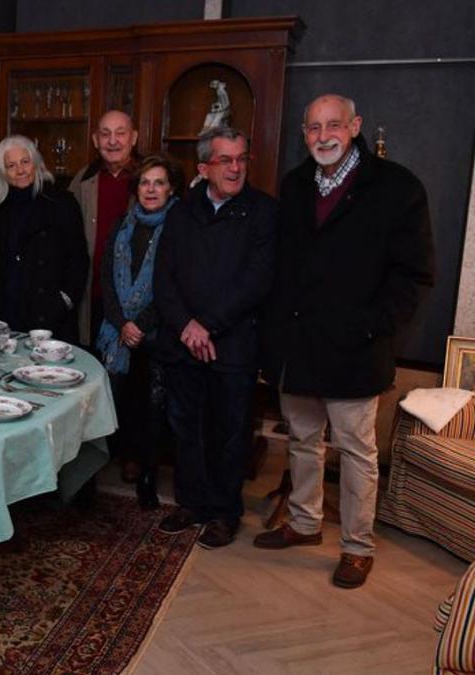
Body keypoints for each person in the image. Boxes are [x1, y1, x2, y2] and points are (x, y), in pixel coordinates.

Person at [254, 94, 435, 589]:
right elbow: (281, 270)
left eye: (333, 124)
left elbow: (415, 276)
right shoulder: (293, 187)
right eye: (313, 127)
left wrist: (374, 326)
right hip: (299, 346)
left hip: (357, 347)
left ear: (354, 126)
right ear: (304, 135)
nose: (323, 135)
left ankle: (357, 547)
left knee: (356, 452)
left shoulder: (397, 187)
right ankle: (306, 523)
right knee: (303, 441)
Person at [153, 127, 277, 550]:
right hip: (182, 343)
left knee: (229, 432)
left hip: (233, 345)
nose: (236, 167)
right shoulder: (181, 211)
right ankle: (192, 504)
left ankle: (225, 512)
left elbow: (257, 281)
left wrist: (207, 324)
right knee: (186, 429)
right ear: (204, 167)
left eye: (241, 158)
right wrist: (186, 325)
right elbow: (163, 278)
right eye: (225, 160)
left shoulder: (263, 211)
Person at [95, 154, 184, 510]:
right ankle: (114, 463)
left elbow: (174, 284)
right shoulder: (123, 224)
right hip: (118, 331)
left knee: (153, 408)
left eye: (159, 182)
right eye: (145, 182)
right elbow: (105, 277)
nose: (151, 189)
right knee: (120, 403)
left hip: (158, 332)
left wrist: (140, 325)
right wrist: (121, 323)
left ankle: (148, 474)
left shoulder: (180, 227)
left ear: (171, 188)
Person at [0, 135, 88, 342]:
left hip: (50, 315)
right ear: (2, 172)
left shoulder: (62, 202)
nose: (20, 170)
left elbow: (78, 259)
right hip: (7, 315)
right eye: (11, 165)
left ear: (36, 163)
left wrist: (65, 300)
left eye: (25, 161)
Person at [68, 110, 139, 348]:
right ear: (96, 140)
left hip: (134, 299)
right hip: (92, 293)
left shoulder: (148, 179)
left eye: (121, 133)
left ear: (134, 138)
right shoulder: (82, 180)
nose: (112, 141)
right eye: (105, 134)